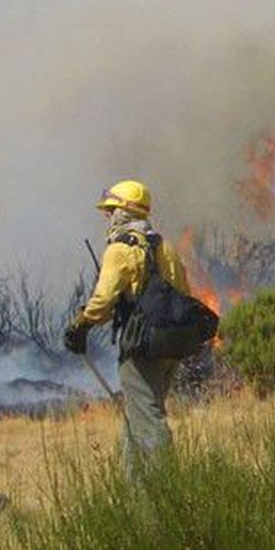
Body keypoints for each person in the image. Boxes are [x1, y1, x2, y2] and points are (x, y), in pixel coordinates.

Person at [64, 179, 190, 474]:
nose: (107, 218)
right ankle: (134, 492)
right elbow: (184, 291)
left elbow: (103, 300)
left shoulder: (120, 249)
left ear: (122, 212)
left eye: (110, 211)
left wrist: (80, 325)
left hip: (141, 346)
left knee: (147, 418)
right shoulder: (165, 247)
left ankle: (168, 490)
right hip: (172, 345)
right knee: (138, 417)